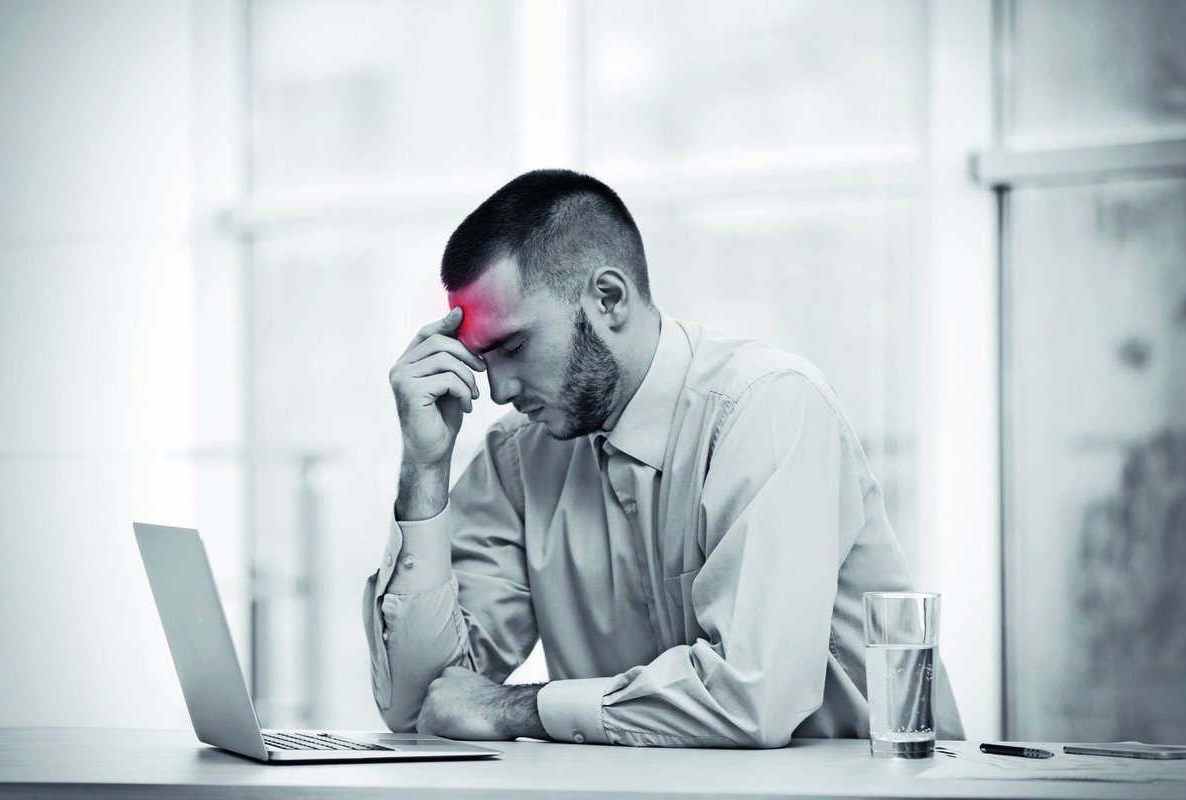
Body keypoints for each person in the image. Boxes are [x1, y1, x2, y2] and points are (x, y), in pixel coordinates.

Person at [362, 169, 964, 748]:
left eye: (514, 346)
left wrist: (512, 708)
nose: (498, 390)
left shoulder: (767, 406)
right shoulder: (517, 458)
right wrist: (425, 468)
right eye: (483, 360)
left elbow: (753, 701)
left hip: (866, 793)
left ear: (609, 298)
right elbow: (425, 707)